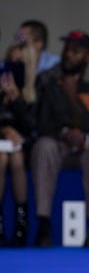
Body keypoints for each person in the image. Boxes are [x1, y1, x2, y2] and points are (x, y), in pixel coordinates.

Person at [32, 30, 89, 247]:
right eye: (66, 49)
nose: (68, 55)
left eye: (75, 51)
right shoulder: (48, 79)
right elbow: (42, 122)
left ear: (87, 56)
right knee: (43, 146)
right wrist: (65, 133)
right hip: (59, 142)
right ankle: (44, 224)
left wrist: (73, 96)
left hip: (88, 143)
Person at [0, 63, 35, 246]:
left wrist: (15, 99)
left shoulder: (28, 97)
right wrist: (5, 130)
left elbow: (32, 128)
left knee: (16, 157)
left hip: (23, 149)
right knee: (2, 157)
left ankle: (21, 223)